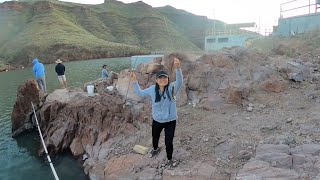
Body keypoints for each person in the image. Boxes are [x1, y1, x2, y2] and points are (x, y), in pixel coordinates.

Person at [130, 57, 183, 168]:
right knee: (155, 137)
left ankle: (169, 159)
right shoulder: (152, 89)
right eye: (160, 78)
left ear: (168, 79)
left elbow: (180, 81)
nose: (163, 80)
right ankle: (155, 149)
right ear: (157, 80)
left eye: (165, 78)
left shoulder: (172, 88)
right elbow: (139, 92)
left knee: (169, 142)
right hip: (157, 120)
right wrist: (134, 81)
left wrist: (178, 68)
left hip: (170, 121)